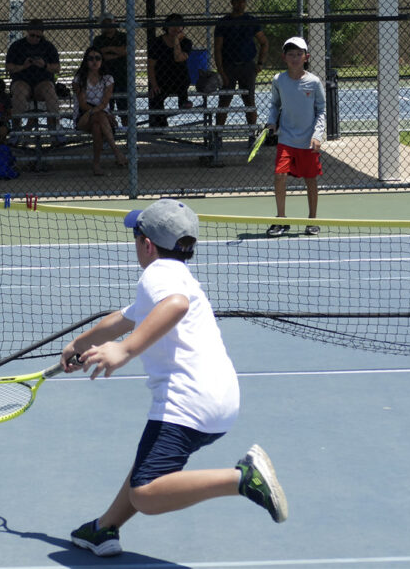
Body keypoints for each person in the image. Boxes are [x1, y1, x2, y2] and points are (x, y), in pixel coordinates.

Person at [61, 198, 288, 557]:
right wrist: (78, 343)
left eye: (136, 237)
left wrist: (124, 350)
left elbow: (175, 306)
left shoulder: (158, 276)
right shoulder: (177, 275)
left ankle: (242, 479)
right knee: (148, 465)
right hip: (220, 401)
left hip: (187, 402)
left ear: (147, 244)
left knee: (146, 492)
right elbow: (122, 319)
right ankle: (104, 528)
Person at [265, 36, 326, 237]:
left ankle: (312, 220)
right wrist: (271, 121)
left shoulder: (314, 82)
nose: (295, 58)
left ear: (306, 57)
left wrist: (318, 135)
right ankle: (281, 220)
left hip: (308, 141)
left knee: (310, 180)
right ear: (284, 57)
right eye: (291, 54)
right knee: (279, 176)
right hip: (286, 139)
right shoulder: (278, 80)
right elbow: (275, 105)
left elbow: (322, 110)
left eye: (299, 54)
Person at [213, 0, 269, 145]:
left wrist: (259, 63)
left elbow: (264, 42)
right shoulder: (223, 22)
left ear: (245, 3)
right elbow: (217, 48)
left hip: (247, 66)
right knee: (224, 101)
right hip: (229, 66)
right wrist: (221, 70)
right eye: (237, 1)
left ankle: (252, 135)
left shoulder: (251, 20)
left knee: (249, 101)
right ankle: (218, 135)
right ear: (232, 3)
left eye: (242, 1)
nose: (240, 4)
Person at [71, 47, 127, 175]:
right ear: (86, 61)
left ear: (102, 61)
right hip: (83, 116)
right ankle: (117, 152)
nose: (94, 61)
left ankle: (96, 165)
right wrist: (93, 112)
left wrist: (92, 112)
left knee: (97, 125)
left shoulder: (108, 79)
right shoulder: (79, 79)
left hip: (98, 116)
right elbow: (83, 104)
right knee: (100, 116)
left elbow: (104, 102)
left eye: (98, 58)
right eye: (90, 59)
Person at [5, 19, 62, 140]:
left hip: (42, 82)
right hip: (22, 81)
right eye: (32, 35)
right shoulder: (17, 46)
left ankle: (55, 129)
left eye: (38, 37)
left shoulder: (48, 46)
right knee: (19, 91)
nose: (35, 39)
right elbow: (8, 67)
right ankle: (16, 129)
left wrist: (45, 65)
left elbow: (57, 68)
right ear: (27, 32)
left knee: (50, 90)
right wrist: (23, 66)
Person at [147, 14, 194, 128]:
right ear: (166, 26)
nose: (175, 28)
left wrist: (176, 41)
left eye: (179, 26)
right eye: (172, 25)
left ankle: (183, 100)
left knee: (183, 78)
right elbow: (151, 65)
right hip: (161, 78)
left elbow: (178, 58)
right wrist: (154, 84)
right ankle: (160, 125)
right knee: (155, 97)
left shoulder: (186, 42)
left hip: (179, 78)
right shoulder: (157, 42)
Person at [91, 11, 128, 124]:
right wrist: (116, 52)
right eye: (104, 23)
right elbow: (100, 55)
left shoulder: (123, 36)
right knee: (107, 108)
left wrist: (108, 49)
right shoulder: (98, 39)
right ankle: (110, 131)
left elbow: (125, 51)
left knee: (125, 107)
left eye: (109, 22)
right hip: (105, 76)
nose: (108, 25)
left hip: (122, 75)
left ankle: (128, 135)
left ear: (114, 22)